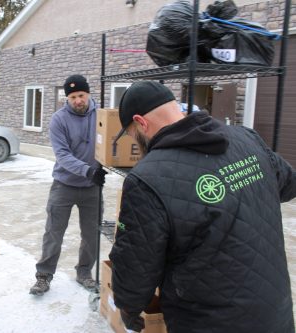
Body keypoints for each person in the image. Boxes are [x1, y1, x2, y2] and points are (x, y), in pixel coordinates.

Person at [109, 80, 296, 333]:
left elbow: (135, 265)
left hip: (208, 322)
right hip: (275, 313)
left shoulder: (147, 179)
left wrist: (128, 306)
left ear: (141, 122)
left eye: (132, 134)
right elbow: (288, 185)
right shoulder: (246, 138)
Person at [29, 74, 107, 296]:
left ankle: (84, 273)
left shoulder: (101, 115)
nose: (77, 101)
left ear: (88, 94)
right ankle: (43, 276)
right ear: (67, 98)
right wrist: (87, 170)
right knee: (54, 232)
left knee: (91, 234)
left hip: (93, 187)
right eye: (72, 97)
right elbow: (62, 155)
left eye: (80, 95)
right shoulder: (59, 119)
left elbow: (112, 140)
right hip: (64, 185)